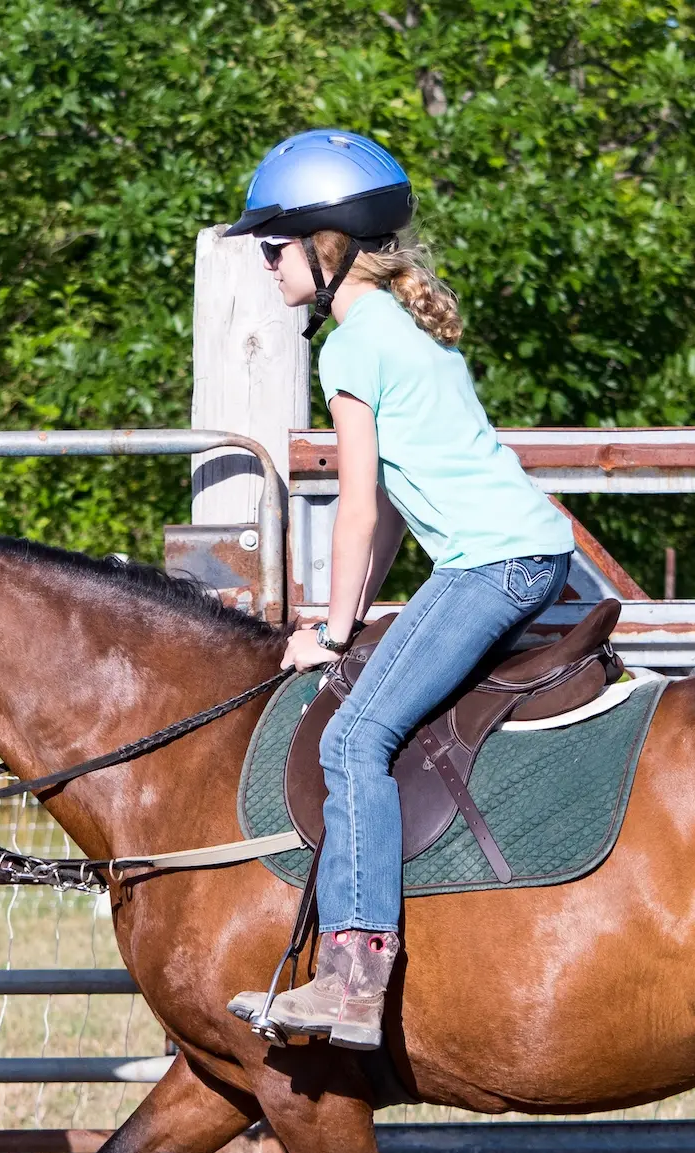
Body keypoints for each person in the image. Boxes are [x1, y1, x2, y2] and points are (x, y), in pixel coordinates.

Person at [222, 129, 576, 1050]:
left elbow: (354, 508)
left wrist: (334, 632)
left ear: (325, 246)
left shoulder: (348, 351)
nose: (265, 262)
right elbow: (381, 523)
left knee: (352, 741)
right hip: (520, 555)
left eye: (275, 244)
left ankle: (349, 977)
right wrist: (348, 619)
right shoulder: (395, 329)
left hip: (491, 566)